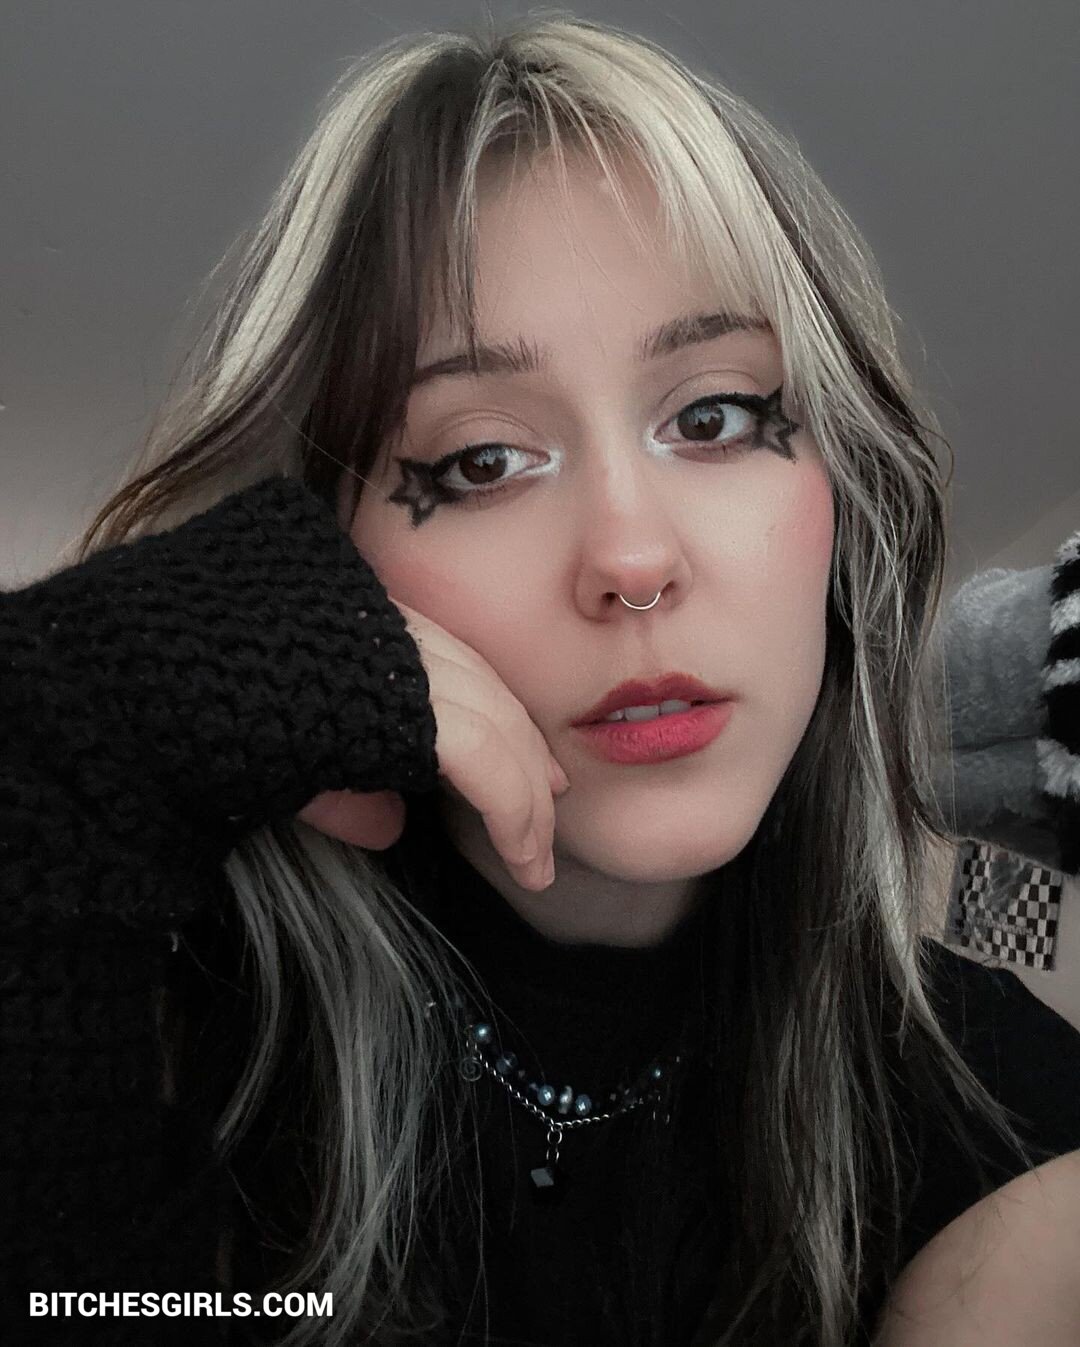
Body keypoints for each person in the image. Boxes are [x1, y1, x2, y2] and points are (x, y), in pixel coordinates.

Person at [1, 15, 1078, 1347]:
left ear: (844, 496)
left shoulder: (1004, 1110)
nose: (632, 560)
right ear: (325, 554)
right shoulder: (153, 1013)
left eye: (714, 416)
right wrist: (56, 735)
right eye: (481, 462)